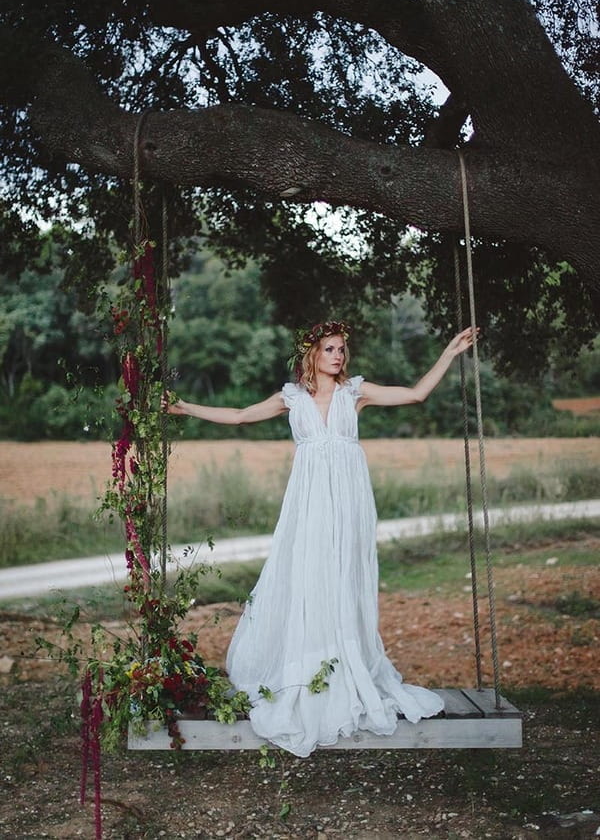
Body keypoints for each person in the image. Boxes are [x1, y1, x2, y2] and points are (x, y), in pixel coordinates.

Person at [163, 320, 477, 756]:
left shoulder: (355, 393)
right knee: (307, 577)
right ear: (312, 354)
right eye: (330, 349)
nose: (338, 356)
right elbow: (238, 416)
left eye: (342, 349)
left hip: (349, 504)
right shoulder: (291, 398)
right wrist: (183, 408)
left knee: (343, 579)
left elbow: (416, 393)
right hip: (308, 505)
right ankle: (308, 667)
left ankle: (346, 666)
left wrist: (449, 352)